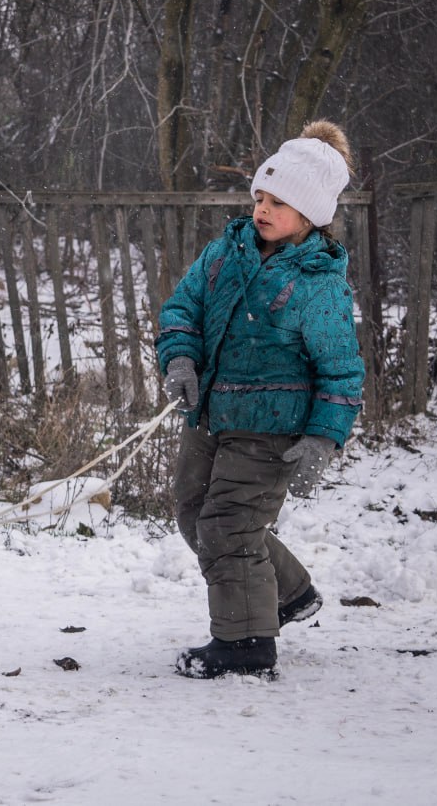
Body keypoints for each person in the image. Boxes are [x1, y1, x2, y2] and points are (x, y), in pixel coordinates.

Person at [155, 120, 365, 679]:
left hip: (272, 427)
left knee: (227, 527)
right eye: (260, 197)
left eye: (279, 202)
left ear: (310, 214)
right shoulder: (226, 254)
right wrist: (179, 357)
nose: (263, 210)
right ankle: (290, 594)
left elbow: (341, 368)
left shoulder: (319, 284)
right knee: (194, 513)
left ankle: (246, 643)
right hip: (210, 413)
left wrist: (323, 436)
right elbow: (183, 309)